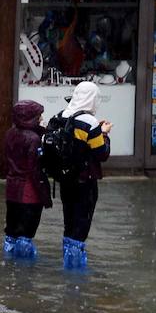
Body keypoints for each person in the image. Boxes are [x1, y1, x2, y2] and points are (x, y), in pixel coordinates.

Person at [48, 80, 111, 269]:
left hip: (65, 178)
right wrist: (105, 134)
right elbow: (101, 153)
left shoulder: (58, 117)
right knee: (82, 221)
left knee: (69, 220)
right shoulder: (90, 123)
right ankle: (75, 267)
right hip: (85, 180)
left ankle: (67, 257)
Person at [2, 101, 50, 260]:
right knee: (25, 233)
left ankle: (9, 264)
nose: (41, 118)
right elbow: (34, 169)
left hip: (12, 190)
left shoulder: (10, 133)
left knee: (12, 231)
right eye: (39, 115)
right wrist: (45, 196)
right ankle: (24, 270)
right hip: (28, 193)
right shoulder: (33, 139)